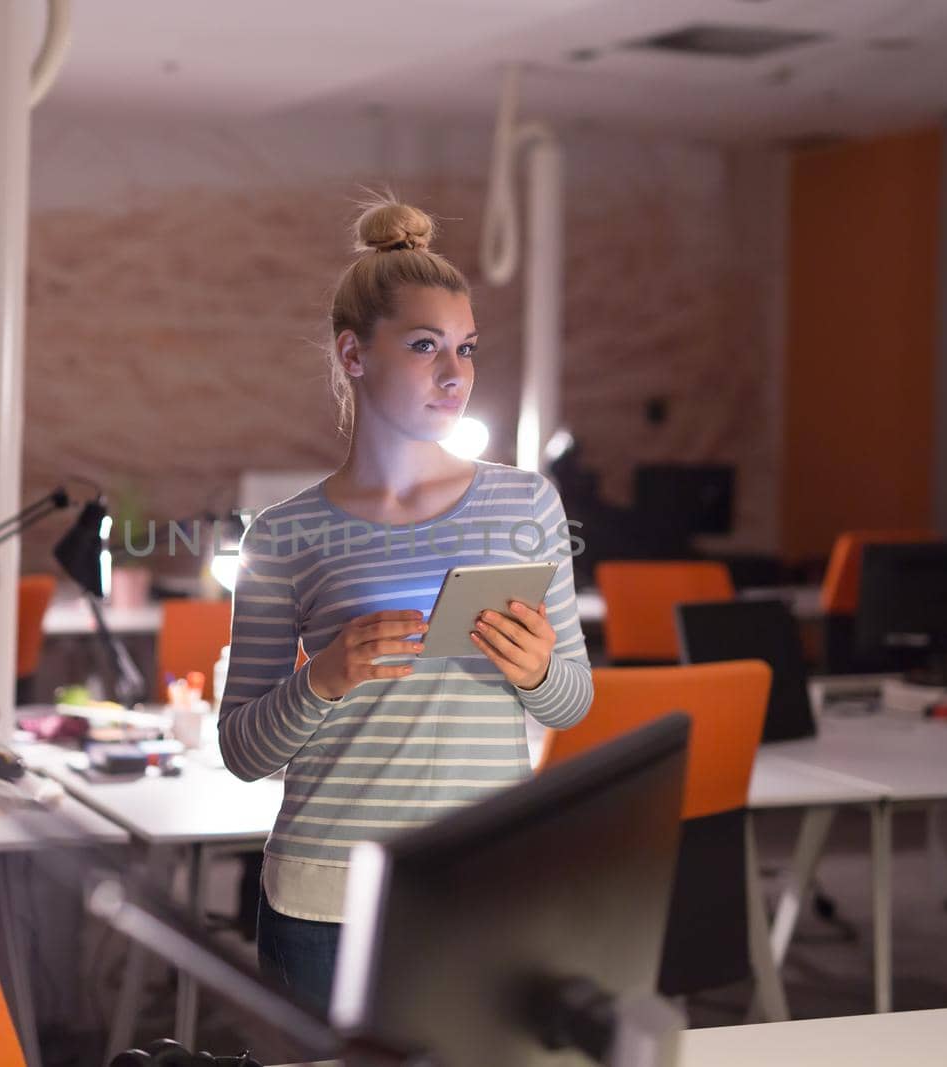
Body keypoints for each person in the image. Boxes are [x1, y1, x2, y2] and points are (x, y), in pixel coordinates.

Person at [217, 199, 593, 1013]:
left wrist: (536, 671)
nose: (454, 374)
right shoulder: (285, 535)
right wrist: (322, 676)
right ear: (353, 354)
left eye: (466, 349)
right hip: (324, 903)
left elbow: (574, 696)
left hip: (482, 882)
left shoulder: (525, 504)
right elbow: (242, 750)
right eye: (425, 347)